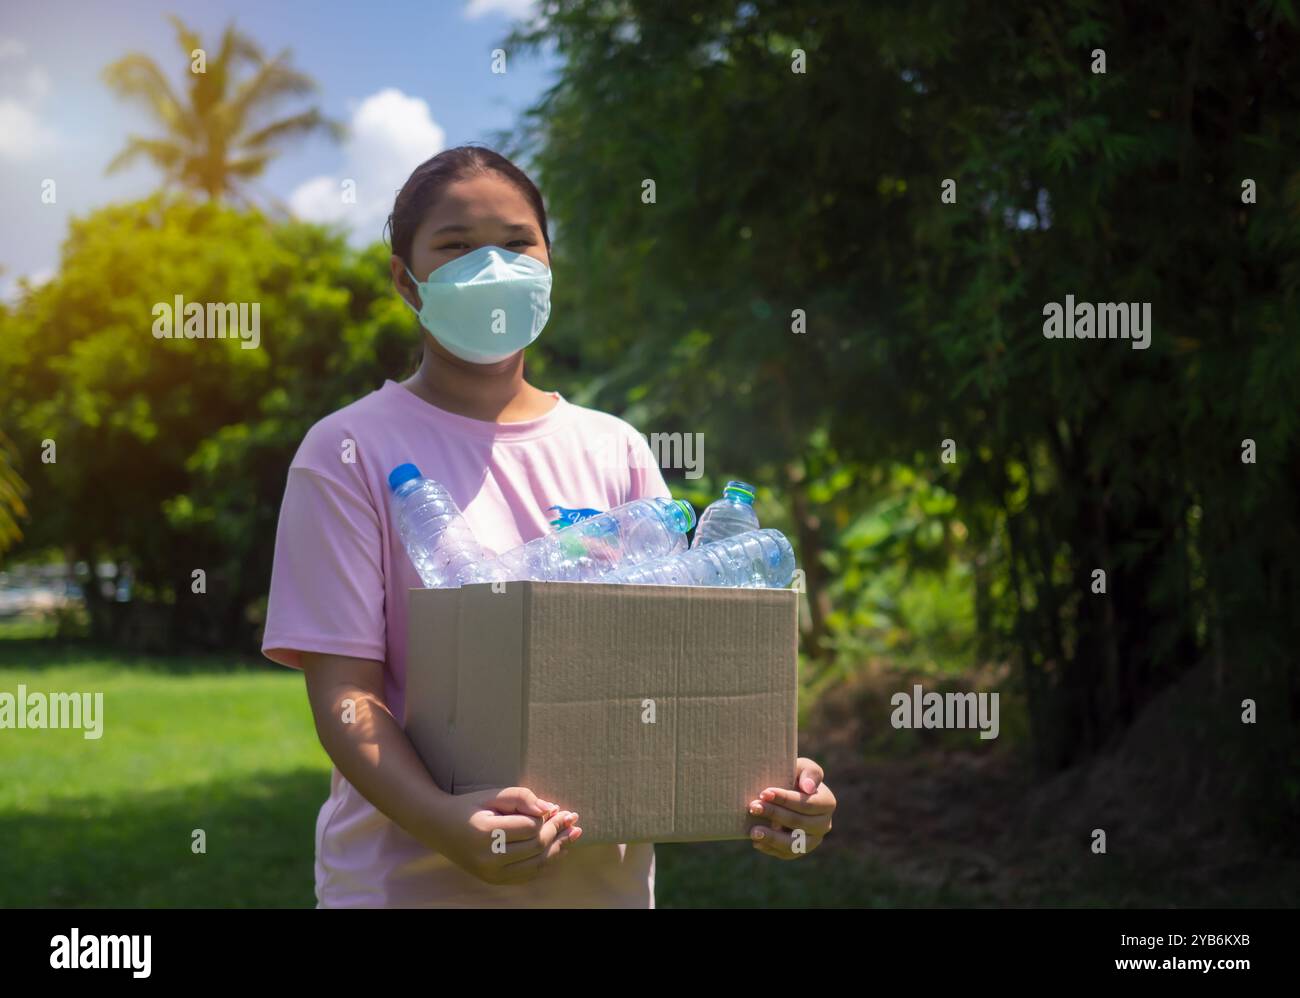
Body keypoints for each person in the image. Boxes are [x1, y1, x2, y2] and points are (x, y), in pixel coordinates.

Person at [261, 145, 836, 908]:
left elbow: (681, 664)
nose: (491, 268)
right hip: (406, 889)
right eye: (457, 247)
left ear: (549, 265)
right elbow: (346, 697)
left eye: (515, 243)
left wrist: (778, 786)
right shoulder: (349, 450)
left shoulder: (615, 448)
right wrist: (443, 822)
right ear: (407, 279)